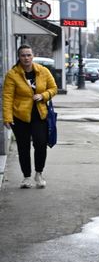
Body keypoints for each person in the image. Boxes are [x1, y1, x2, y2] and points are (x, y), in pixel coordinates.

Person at [3, 45, 58, 189]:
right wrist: (7, 117)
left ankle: (38, 174)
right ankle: (26, 177)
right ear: (19, 57)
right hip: (20, 117)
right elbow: (7, 97)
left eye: (28, 55)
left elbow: (53, 88)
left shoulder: (43, 71)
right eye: (23, 55)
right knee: (23, 147)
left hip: (39, 115)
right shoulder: (12, 74)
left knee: (40, 144)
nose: (26, 58)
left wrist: (43, 95)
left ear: (32, 56)